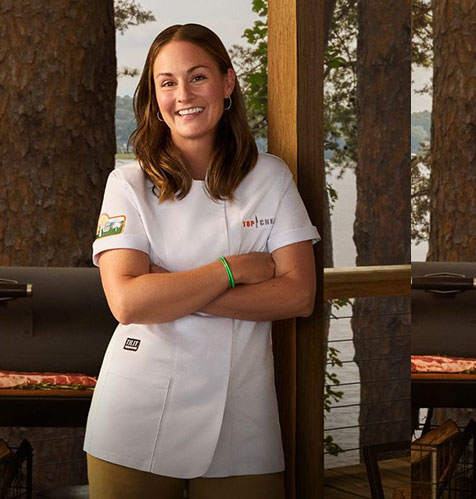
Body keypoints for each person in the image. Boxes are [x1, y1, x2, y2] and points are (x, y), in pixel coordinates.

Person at [85, 24, 319, 499]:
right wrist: (230, 271)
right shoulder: (127, 185)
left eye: (198, 77)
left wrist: (170, 291)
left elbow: (299, 296)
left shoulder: (270, 178)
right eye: (167, 83)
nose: (183, 95)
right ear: (155, 97)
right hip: (136, 415)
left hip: (242, 417)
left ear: (227, 82)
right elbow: (127, 303)